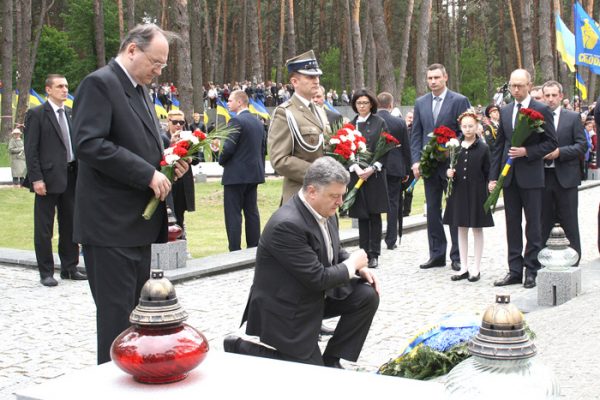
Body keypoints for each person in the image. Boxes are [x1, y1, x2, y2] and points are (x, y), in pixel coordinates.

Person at [72, 24, 189, 364]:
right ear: (132, 49)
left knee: (141, 318)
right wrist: (147, 173)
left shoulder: (139, 89)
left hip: (138, 228)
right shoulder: (100, 84)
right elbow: (89, 144)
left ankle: (135, 378)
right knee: (116, 321)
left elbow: (142, 144)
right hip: (110, 227)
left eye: (163, 64)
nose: (159, 70)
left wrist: (169, 163)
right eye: (156, 61)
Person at [224, 156, 379, 368]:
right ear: (312, 191)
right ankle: (244, 347)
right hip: (285, 313)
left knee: (366, 295)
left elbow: (332, 248)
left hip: (311, 299)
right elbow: (318, 278)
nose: (340, 202)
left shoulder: (325, 209)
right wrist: (351, 264)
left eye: (342, 195)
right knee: (310, 378)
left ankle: (332, 360)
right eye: (335, 196)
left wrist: (357, 267)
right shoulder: (287, 225)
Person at [489, 69, 557, 289]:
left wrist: (527, 151)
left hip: (531, 176)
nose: (515, 89)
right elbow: (499, 146)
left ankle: (532, 269)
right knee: (512, 225)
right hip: (509, 178)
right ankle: (515, 270)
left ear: (530, 85)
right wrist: (493, 177)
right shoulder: (505, 110)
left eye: (520, 85)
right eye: (512, 85)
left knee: (533, 225)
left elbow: (550, 143)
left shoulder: (541, 110)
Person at [24, 74, 85, 287]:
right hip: (47, 180)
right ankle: (46, 272)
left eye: (67, 86)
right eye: (60, 86)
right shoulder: (37, 114)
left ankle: (69, 267)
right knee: (44, 228)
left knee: (70, 225)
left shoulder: (70, 113)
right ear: (48, 89)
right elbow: (31, 150)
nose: (65, 90)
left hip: (71, 176)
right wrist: (36, 179)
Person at [410, 63, 470, 271]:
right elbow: (416, 133)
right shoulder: (421, 103)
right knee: (433, 210)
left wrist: (452, 149)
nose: (433, 82)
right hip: (429, 165)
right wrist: (416, 161)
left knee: (454, 209)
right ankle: (436, 254)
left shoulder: (459, 101)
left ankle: (458, 255)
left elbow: (467, 131)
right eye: (430, 78)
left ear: (445, 77)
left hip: (451, 164)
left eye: (437, 77)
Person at [268, 50, 326, 205]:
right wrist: (318, 173)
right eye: (310, 77)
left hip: (325, 197)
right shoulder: (285, 113)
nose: (316, 81)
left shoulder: (319, 111)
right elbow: (279, 160)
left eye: (317, 76)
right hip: (300, 197)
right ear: (294, 82)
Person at [443, 110, 494, 282]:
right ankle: (463, 266)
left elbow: (488, 171)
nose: (468, 129)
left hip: (477, 191)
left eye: (471, 126)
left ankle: (476, 268)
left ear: (477, 126)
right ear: (460, 127)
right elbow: (449, 167)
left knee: (477, 229)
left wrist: (490, 185)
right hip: (458, 191)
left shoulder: (483, 148)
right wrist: (448, 173)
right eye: (464, 126)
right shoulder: (454, 146)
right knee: (460, 228)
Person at [540, 81, 587, 265]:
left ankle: (573, 259)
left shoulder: (572, 117)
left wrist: (560, 152)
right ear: (543, 97)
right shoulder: (537, 118)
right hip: (543, 176)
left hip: (566, 177)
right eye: (547, 95)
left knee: (569, 221)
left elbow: (581, 145)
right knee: (544, 221)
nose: (550, 99)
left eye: (554, 95)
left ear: (561, 96)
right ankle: (544, 261)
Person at [219, 90, 266, 251]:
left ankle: (234, 250)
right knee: (251, 212)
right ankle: (254, 247)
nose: (228, 103)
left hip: (236, 175)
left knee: (233, 215)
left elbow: (229, 147)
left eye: (230, 100)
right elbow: (262, 149)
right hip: (254, 174)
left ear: (240, 102)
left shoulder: (236, 121)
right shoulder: (258, 122)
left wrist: (221, 160)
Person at [347, 89, 389, 268]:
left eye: (365, 103)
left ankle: (374, 253)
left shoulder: (380, 122)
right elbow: (344, 149)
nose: (362, 106)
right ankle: (363, 252)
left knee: (374, 214)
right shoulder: (350, 124)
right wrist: (354, 167)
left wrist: (373, 168)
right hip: (356, 174)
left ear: (371, 104)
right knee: (361, 215)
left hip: (374, 175)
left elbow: (386, 147)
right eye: (358, 103)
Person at [377, 92, 411, 250]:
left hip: (376, 166)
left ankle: (374, 238)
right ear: (391, 105)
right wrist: (407, 169)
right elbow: (406, 147)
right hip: (395, 166)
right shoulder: (399, 122)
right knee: (393, 202)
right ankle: (391, 239)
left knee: (375, 203)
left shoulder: (373, 121)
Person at [162, 110, 198, 235]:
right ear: (168, 121)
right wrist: (171, 145)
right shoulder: (162, 137)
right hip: (168, 180)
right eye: (175, 122)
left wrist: (190, 157)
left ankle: (182, 241)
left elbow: (197, 159)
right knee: (169, 214)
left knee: (180, 213)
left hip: (183, 182)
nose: (178, 125)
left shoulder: (188, 138)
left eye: (181, 122)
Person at [402, 110, 415, 217]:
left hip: (411, 165)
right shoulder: (402, 128)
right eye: (409, 117)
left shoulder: (414, 131)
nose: (410, 119)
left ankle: (406, 210)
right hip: (402, 164)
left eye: (412, 117)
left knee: (409, 189)